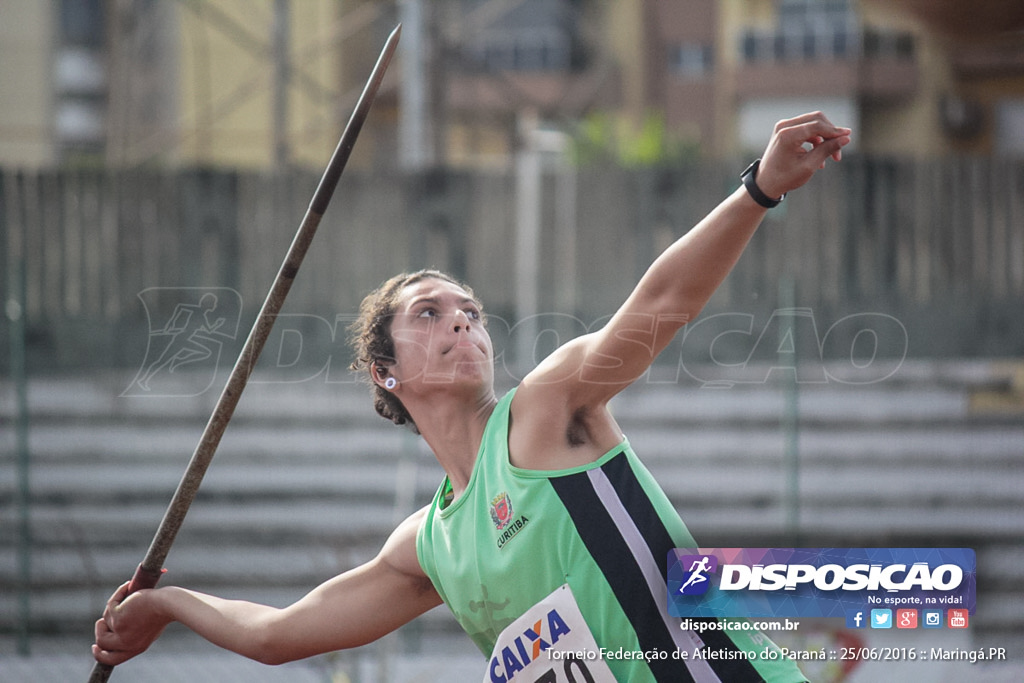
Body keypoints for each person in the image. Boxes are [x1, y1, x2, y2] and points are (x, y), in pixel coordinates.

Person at [94, 112, 851, 682]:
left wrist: (759, 189)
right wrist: (165, 603)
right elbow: (278, 634)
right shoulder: (430, 544)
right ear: (384, 373)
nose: (461, 318)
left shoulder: (545, 413)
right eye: (429, 313)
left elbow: (662, 302)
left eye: (470, 311)